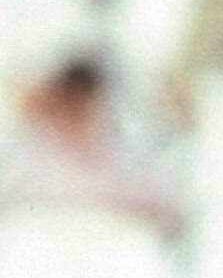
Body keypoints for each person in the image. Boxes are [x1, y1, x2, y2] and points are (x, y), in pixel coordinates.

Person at [0, 59, 177, 227]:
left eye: (84, 103)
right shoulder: (26, 158)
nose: (76, 112)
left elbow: (160, 205)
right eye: (70, 101)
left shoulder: (115, 158)